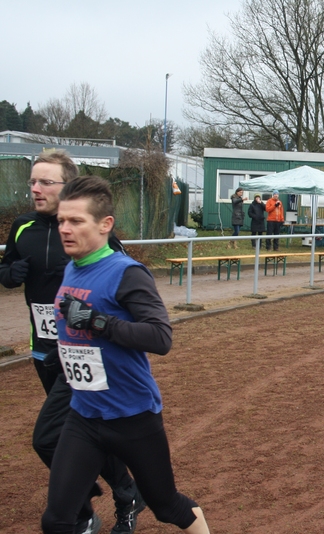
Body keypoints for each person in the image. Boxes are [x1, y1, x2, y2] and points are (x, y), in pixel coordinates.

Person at [43, 176, 210, 534]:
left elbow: (160, 337)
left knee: (166, 506)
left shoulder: (126, 273)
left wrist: (98, 322)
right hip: (84, 414)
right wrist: (66, 352)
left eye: (76, 221)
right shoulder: (72, 267)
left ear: (105, 224)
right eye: (61, 220)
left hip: (132, 417)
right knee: (56, 520)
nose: (65, 229)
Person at [0, 151, 144, 534]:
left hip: (83, 352)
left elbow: (125, 281)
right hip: (44, 349)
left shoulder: (92, 232)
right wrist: (9, 274)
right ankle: (125, 494)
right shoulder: (22, 226)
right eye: (33, 181)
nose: (36, 188)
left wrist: (97, 315)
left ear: (68, 187)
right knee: (81, 432)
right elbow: (7, 266)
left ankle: (81, 510)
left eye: (46, 182)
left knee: (52, 437)